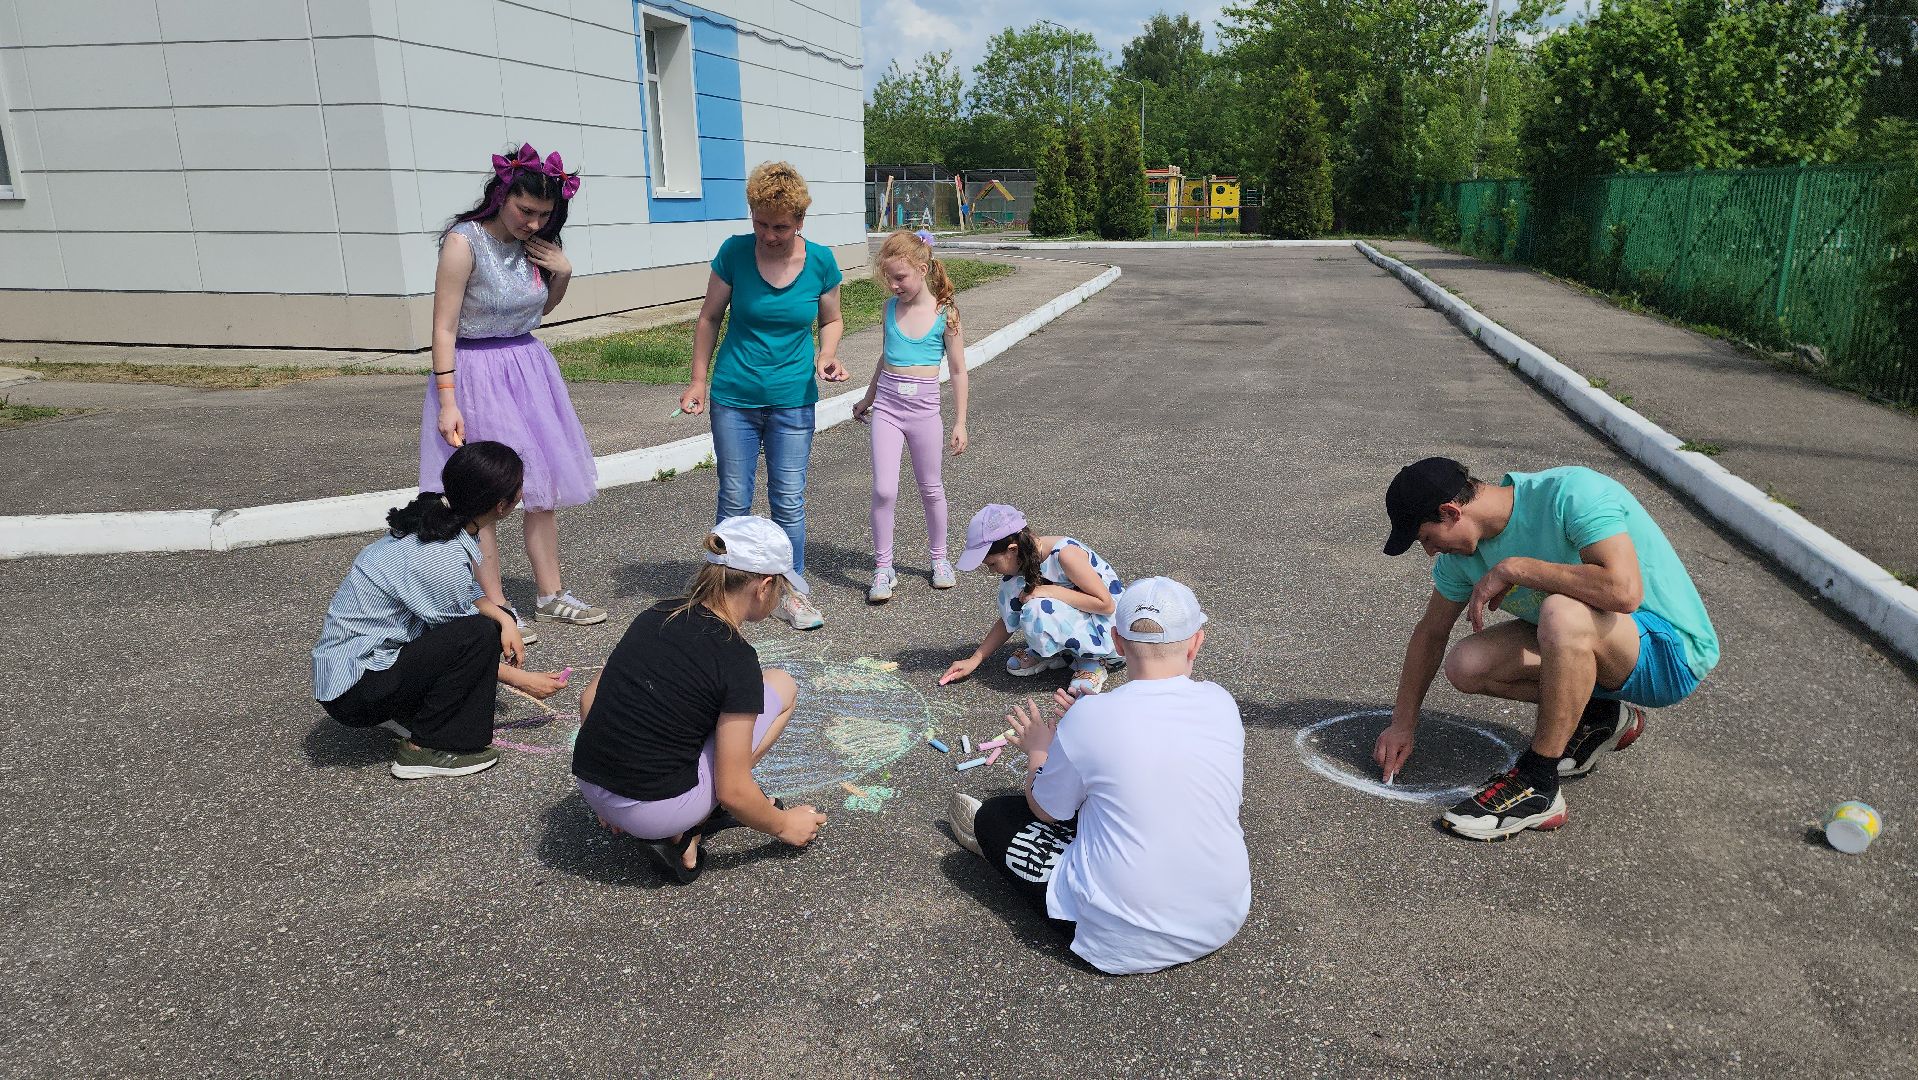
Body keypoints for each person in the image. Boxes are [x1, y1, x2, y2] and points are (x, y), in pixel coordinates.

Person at [1376, 457, 1720, 841]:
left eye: (1426, 538)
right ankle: (1601, 715)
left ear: (1450, 511)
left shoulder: (1571, 492)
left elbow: (1623, 591)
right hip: (1599, 649)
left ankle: (1538, 785)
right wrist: (1402, 723)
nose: (1430, 552)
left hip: (1669, 652)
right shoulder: (1463, 557)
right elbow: (1431, 633)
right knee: (1466, 664)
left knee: (1561, 611)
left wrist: (1517, 569)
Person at [947, 578, 1251, 975]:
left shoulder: (1091, 716)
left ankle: (1009, 854)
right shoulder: (1220, 702)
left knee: (996, 816)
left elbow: (1045, 809)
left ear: (1117, 644)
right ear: (1196, 642)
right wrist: (1087, 721)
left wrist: (1041, 749)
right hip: (1222, 916)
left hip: (1120, 938)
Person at [571, 516, 828, 883]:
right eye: (782, 590)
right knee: (781, 685)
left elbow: (589, 698)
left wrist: (613, 782)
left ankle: (663, 816)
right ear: (763, 586)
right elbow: (734, 789)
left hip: (593, 788)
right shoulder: (735, 658)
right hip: (653, 811)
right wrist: (785, 825)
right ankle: (684, 829)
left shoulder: (656, 614)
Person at [422, 142, 605, 646]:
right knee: (487, 494)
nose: (533, 223)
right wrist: (448, 400)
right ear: (502, 194)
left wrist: (562, 272)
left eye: (545, 215)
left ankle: (551, 595)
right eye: (526, 211)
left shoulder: (536, 249)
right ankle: (497, 605)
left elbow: (540, 310)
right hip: (476, 372)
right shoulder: (463, 243)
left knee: (539, 486)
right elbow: (442, 329)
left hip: (528, 367)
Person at [315, 442, 565, 779]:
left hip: (355, 670)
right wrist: (525, 681)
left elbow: (465, 592)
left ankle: (409, 711)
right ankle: (428, 748)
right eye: (519, 485)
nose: (524, 490)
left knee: (487, 624)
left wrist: (504, 617)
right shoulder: (440, 555)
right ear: (502, 506)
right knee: (479, 633)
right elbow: (460, 643)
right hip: (356, 690)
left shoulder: (439, 518)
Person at [679, 162, 847, 631]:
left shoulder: (820, 262)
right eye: (760, 223)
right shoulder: (733, 254)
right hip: (734, 396)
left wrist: (827, 353)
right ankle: (722, 595)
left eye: (780, 226)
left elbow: (830, 319)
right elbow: (709, 317)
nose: (768, 235)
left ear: (799, 222)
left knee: (788, 500)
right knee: (733, 497)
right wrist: (699, 380)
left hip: (793, 399)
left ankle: (789, 590)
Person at [853, 229, 971, 603]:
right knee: (884, 489)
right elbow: (884, 359)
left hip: (924, 410)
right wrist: (867, 398)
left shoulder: (946, 313)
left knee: (930, 488)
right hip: (888, 406)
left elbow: (957, 371)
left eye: (899, 277)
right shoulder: (890, 309)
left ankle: (939, 560)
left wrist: (960, 420)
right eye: (888, 277)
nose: (893, 285)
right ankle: (883, 567)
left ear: (922, 269)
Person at [940, 504, 1124, 697]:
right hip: (1081, 622)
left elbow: (1106, 605)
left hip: (1111, 637)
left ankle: (1093, 662)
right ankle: (1055, 654)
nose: (992, 571)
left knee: (1037, 606)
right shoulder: (1020, 567)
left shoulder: (1066, 555)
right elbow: (1008, 620)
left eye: (992, 564)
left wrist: (1050, 590)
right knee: (1024, 597)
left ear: (1012, 549)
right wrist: (974, 659)